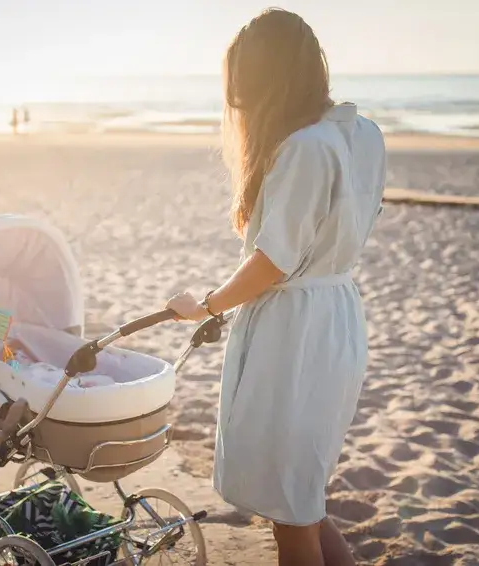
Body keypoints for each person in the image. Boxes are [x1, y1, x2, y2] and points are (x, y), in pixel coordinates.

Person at [165, 8, 385, 566]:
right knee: (301, 500)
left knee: (292, 511)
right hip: (334, 315)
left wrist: (205, 306)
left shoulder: (306, 147)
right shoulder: (360, 133)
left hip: (297, 332)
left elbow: (273, 263)